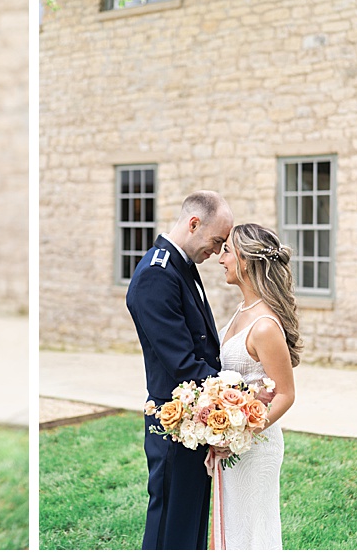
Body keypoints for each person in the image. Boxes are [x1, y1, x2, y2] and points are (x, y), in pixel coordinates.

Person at [126, 190, 233, 550]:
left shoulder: (180, 265)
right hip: (173, 422)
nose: (218, 252)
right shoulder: (158, 274)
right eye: (217, 241)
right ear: (193, 224)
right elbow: (182, 363)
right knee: (169, 528)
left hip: (193, 416)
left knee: (189, 524)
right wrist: (235, 395)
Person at [213, 223, 299, 549]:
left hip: (256, 446)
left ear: (246, 260)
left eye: (227, 251)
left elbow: (286, 394)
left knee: (255, 533)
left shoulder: (264, 325)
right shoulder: (241, 310)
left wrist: (242, 431)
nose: (220, 259)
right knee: (235, 529)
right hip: (233, 444)